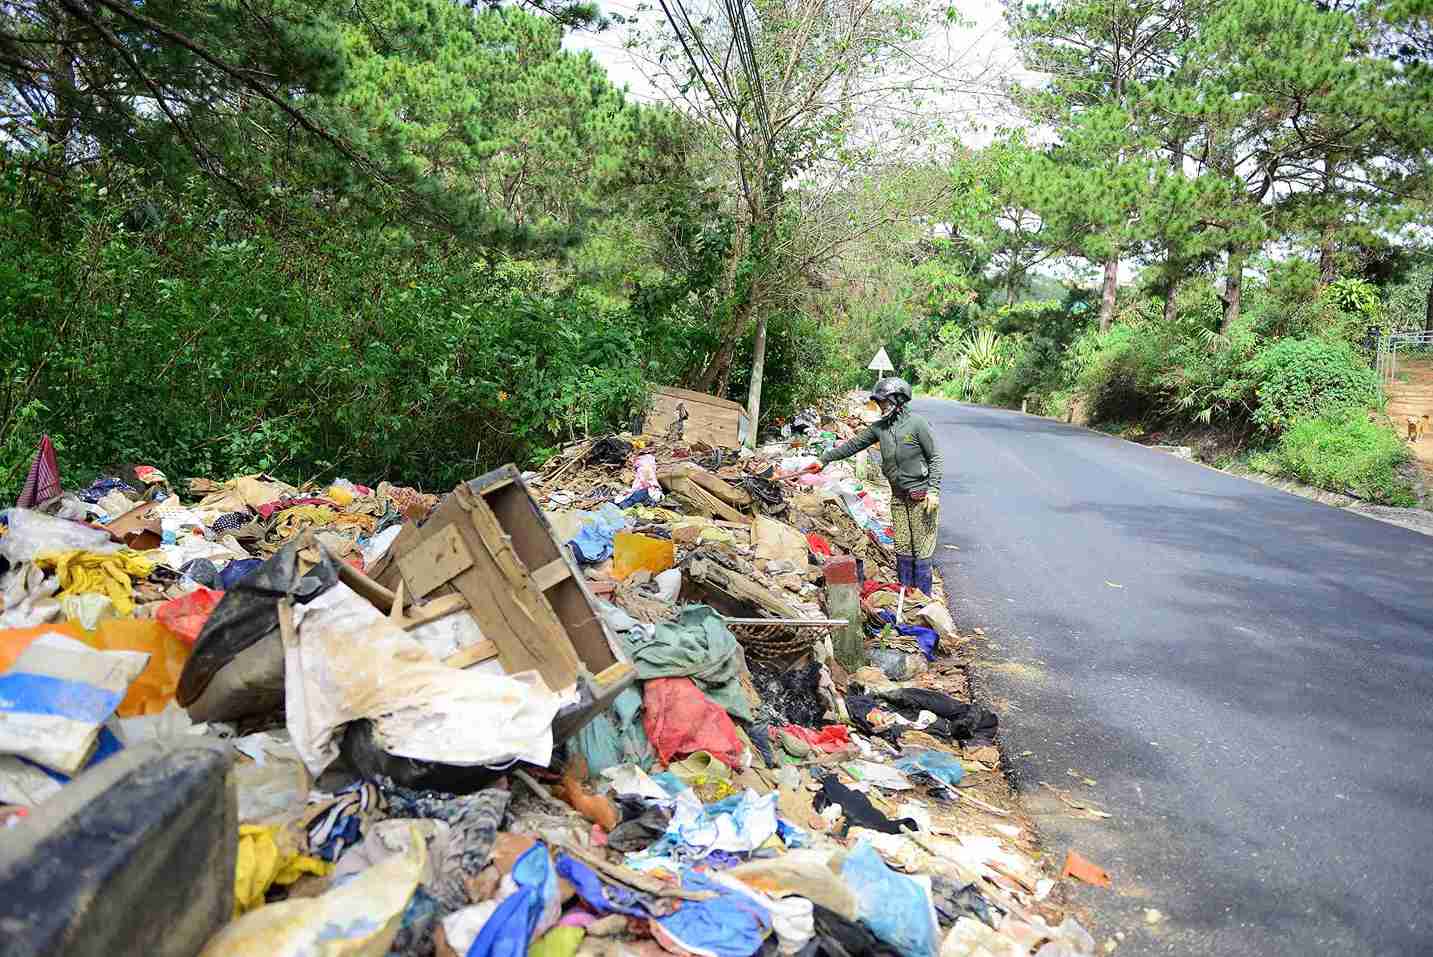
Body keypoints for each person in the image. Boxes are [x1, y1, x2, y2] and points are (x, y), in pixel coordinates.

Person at [817, 377, 943, 594]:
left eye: (884, 402)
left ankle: (924, 599)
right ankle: (907, 595)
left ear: (899, 400)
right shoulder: (880, 428)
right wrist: (824, 459)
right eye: (880, 402)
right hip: (898, 497)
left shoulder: (917, 423)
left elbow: (935, 458)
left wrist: (933, 490)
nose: (881, 407)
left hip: (921, 498)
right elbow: (853, 445)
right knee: (903, 547)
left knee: (921, 551)